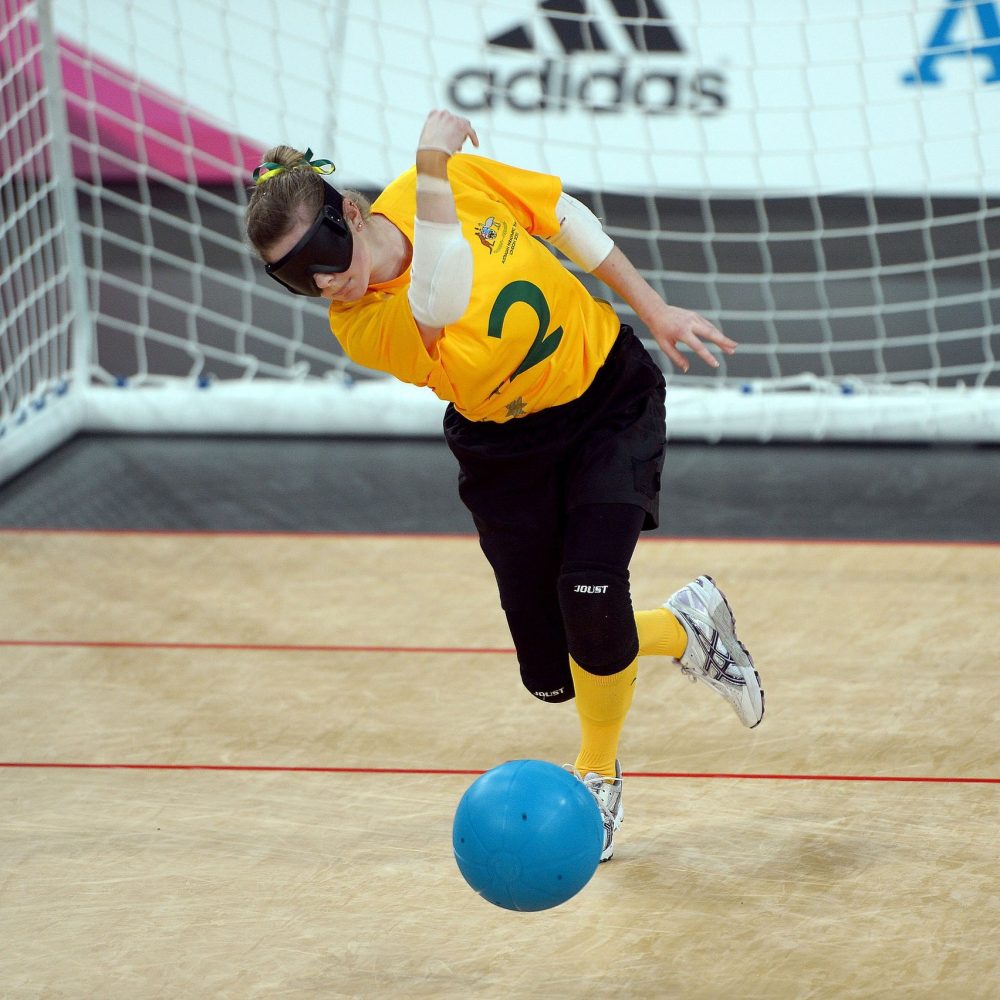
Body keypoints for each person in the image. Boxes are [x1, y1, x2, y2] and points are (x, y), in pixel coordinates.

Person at [245, 109, 765, 861]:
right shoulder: (359, 323)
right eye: (294, 278)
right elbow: (440, 299)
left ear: (349, 212)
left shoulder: (457, 182)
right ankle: (689, 628)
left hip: (606, 402)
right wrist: (428, 164)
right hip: (506, 452)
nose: (324, 280)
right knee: (555, 672)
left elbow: (560, 216)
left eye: (322, 252)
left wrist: (653, 307)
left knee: (591, 591)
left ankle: (596, 778)